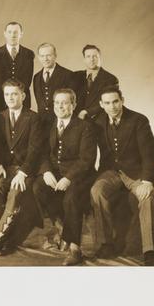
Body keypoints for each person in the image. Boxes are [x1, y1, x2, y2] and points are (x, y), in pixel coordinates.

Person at [90, 86, 154, 265]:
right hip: (110, 171)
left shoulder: (138, 120)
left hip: (136, 172)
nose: (112, 106)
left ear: (122, 100)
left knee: (147, 198)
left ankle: (149, 251)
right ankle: (106, 244)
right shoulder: (97, 122)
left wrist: (148, 181)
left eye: (115, 101)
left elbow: (150, 153)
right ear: (101, 105)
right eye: (107, 103)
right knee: (97, 191)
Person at [32, 88, 96, 266]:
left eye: (65, 103)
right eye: (57, 103)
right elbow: (42, 153)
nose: (60, 106)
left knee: (71, 197)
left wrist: (68, 178)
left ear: (74, 105)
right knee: (38, 187)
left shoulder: (85, 127)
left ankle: (75, 249)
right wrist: (46, 171)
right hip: (54, 173)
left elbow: (86, 160)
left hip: (79, 175)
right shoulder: (49, 125)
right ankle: (60, 226)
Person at [0, 80, 44, 256]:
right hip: (6, 168)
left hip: (27, 169)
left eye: (14, 94)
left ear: (23, 96)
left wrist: (23, 172)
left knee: (15, 192)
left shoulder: (33, 118)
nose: (10, 98)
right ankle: (7, 238)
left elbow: (35, 150)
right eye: (7, 94)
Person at [0, 22, 34, 112]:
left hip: (22, 100)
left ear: (21, 34)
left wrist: (17, 96)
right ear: (5, 34)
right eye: (9, 32)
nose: (12, 35)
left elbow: (27, 80)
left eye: (15, 32)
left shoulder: (28, 54)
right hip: (1, 101)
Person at [73, 44, 119, 121]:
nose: (92, 59)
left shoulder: (110, 79)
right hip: (76, 119)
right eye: (88, 56)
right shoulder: (76, 76)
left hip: (99, 120)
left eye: (95, 56)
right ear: (84, 59)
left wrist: (87, 112)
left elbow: (110, 102)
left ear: (100, 58)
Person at [32, 43, 75, 123]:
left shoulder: (68, 75)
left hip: (61, 121)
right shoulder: (36, 77)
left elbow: (72, 101)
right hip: (42, 122)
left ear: (55, 56)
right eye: (42, 56)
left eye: (48, 55)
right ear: (38, 57)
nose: (45, 59)